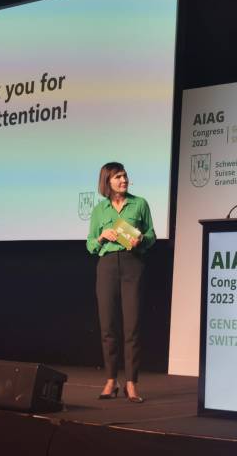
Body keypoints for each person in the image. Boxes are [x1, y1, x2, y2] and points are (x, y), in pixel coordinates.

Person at [87, 162, 156, 403]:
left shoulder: (140, 204)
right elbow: (90, 245)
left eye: (125, 176)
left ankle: (131, 383)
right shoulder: (99, 210)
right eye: (118, 177)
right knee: (108, 326)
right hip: (106, 266)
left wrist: (141, 240)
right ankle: (110, 380)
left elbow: (152, 235)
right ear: (107, 181)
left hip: (132, 264)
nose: (123, 180)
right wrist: (101, 237)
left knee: (132, 327)